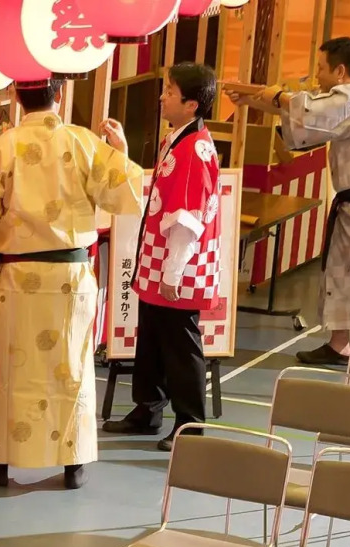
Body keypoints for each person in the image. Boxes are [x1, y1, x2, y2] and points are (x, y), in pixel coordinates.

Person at [0, 80, 146, 490]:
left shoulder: (3, 147)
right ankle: (73, 461)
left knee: (10, 372)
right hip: (71, 280)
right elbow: (123, 195)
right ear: (59, 94)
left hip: (19, 277)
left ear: (17, 98)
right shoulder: (82, 142)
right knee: (71, 368)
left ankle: (3, 463)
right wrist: (122, 152)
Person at [229, 37, 350, 365]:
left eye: (321, 68)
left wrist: (272, 95)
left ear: (339, 70)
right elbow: (307, 118)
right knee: (341, 272)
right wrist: (253, 100)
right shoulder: (347, 98)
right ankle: (339, 345)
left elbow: (308, 110)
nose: (316, 75)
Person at [104, 63, 223, 452]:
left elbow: (186, 220)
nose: (161, 97)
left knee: (180, 343)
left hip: (179, 264)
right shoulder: (177, 138)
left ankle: (190, 422)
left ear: (190, 104)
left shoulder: (193, 150)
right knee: (152, 336)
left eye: (169, 92)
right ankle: (148, 408)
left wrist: (172, 272)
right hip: (160, 258)